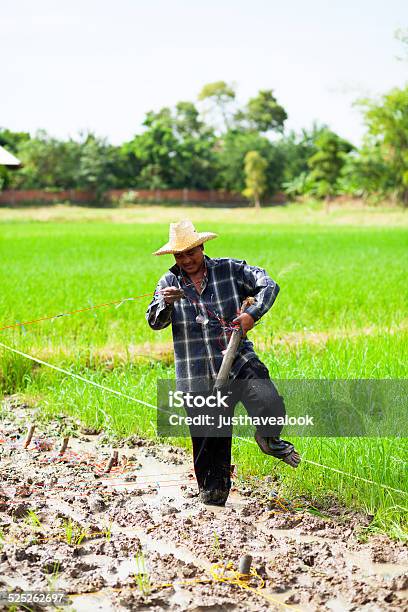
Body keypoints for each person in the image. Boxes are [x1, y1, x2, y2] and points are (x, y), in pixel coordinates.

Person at [146, 220, 300, 506]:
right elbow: (155, 321)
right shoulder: (168, 283)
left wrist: (252, 314)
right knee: (211, 470)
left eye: (191, 253)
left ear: (202, 247)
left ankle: (268, 439)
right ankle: (212, 504)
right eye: (180, 256)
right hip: (197, 374)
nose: (186, 260)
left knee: (269, 402)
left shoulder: (230, 269)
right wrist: (165, 303)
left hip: (237, 359)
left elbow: (268, 284)